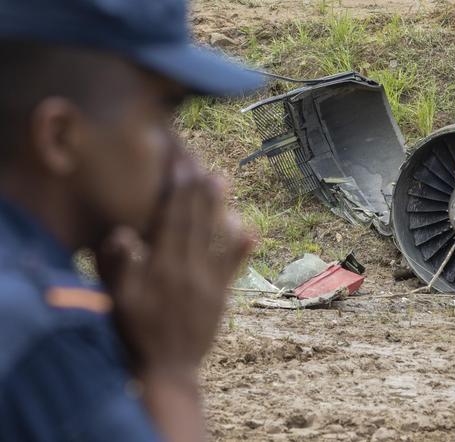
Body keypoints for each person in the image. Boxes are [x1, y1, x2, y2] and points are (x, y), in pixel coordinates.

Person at [0, 0, 264, 440]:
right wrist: (170, 371)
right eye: (162, 113)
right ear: (60, 137)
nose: (185, 159)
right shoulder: (43, 339)